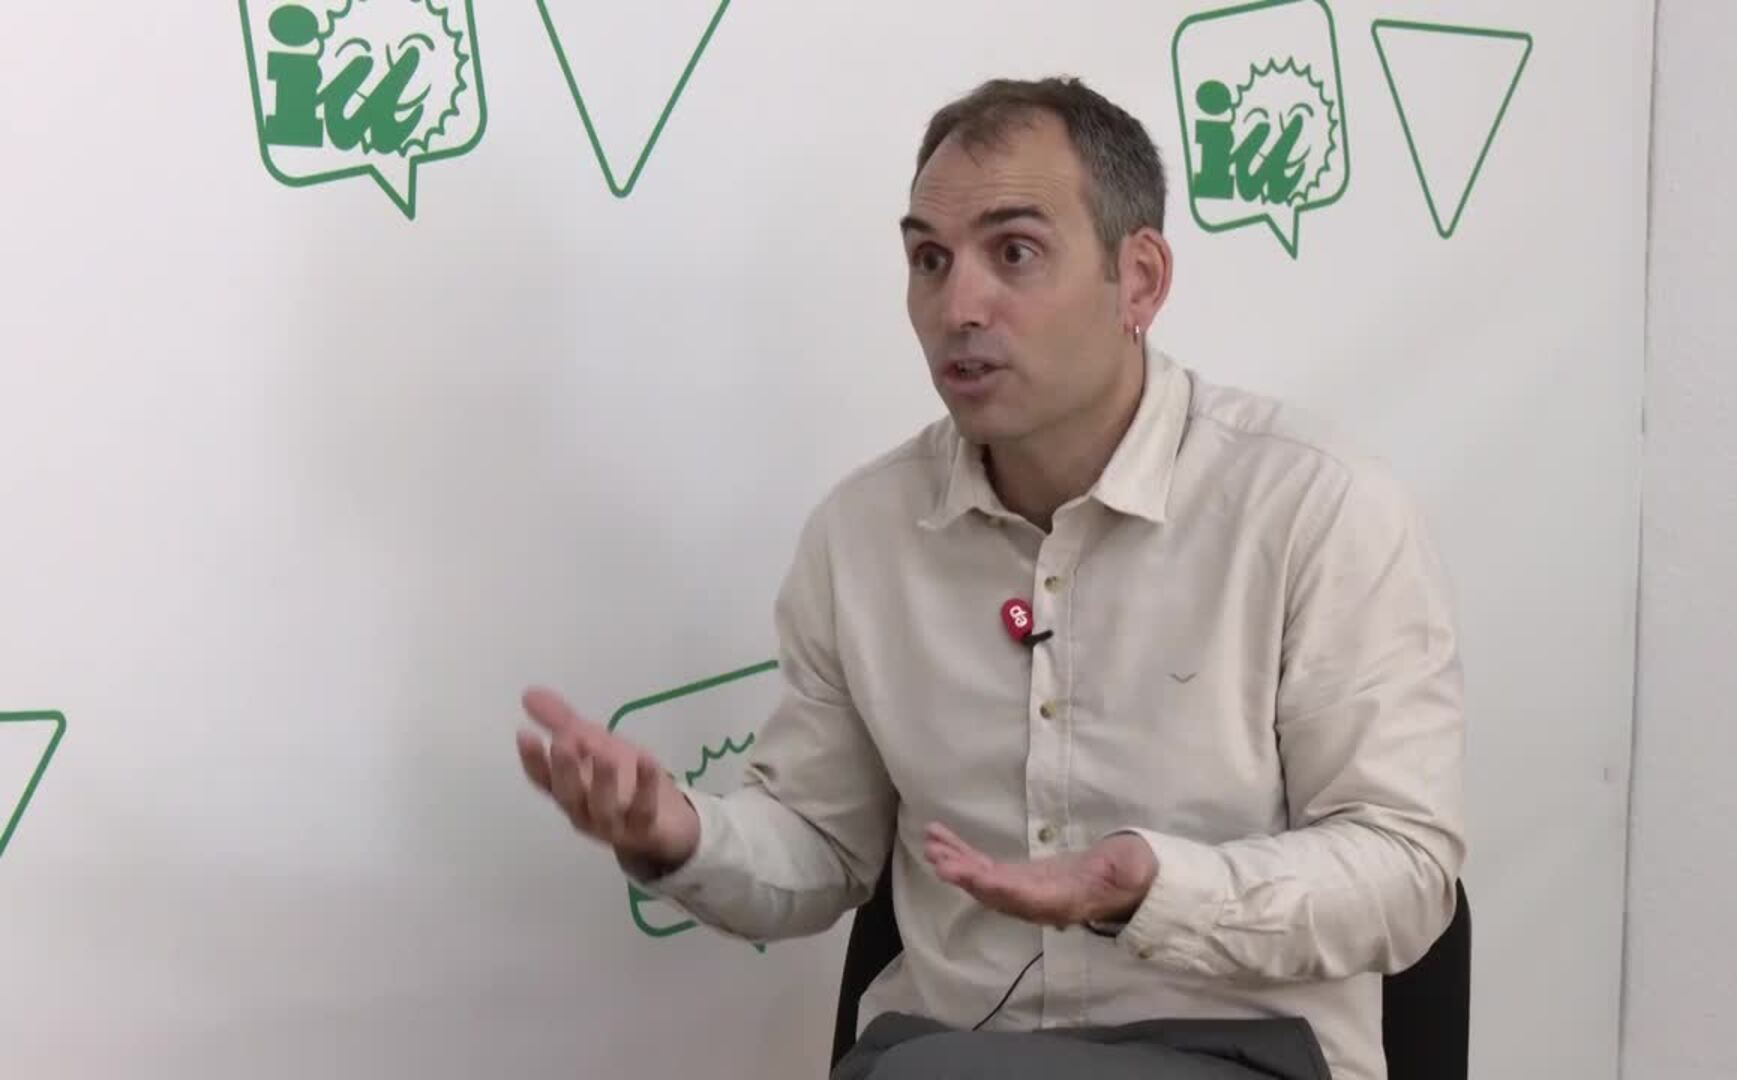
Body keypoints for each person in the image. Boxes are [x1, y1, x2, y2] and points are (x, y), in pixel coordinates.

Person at [515, 76, 1466, 1080]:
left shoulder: (1317, 506)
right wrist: (679, 834)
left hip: (1242, 1056)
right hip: (953, 1052)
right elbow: (819, 848)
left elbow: (1405, 872)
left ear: (1139, 280)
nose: (958, 308)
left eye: (1014, 253)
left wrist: (1153, 887)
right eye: (930, 260)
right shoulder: (862, 535)